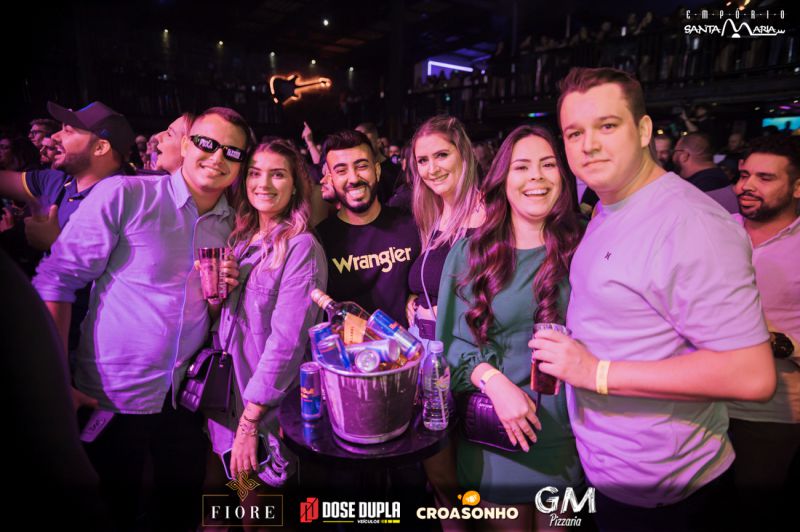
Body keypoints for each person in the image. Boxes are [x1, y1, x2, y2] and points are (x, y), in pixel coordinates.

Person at [532, 66, 775, 530]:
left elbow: (752, 374)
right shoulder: (609, 206)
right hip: (613, 476)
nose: (589, 145)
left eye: (607, 126)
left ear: (643, 130)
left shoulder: (691, 224)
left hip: (670, 495)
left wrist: (596, 372)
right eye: (575, 133)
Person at [32, 106, 252, 530]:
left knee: (177, 515)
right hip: (111, 397)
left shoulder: (235, 226)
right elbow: (55, 280)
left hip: (184, 401)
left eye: (232, 152)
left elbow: (212, 314)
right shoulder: (126, 195)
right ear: (186, 145)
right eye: (207, 143)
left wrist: (219, 298)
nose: (217, 157)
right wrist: (57, 380)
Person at [438, 124, 584, 530]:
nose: (536, 176)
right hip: (495, 435)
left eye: (548, 165)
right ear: (503, 179)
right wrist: (493, 381)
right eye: (522, 167)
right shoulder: (471, 252)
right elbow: (448, 346)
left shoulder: (584, 244)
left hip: (567, 437)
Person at [206, 138, 326, 524]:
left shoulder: (300, 247)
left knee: (263, 515)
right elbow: (226, 326)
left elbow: (288, 342)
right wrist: (217, 295)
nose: (263, 184)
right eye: (255, 173)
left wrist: (251, 420)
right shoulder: (241, 240)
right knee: (235, 506)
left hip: (266, 411)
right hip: (228, 403)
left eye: (278, 175)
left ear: (295, 185)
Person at [405, 115, 484, 529]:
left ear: (463, 154)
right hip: (427, 358)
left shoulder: (489, 214)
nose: (432, 168)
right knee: (440, 478)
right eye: (423, 160)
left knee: (467, 483)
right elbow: (434, 277)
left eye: (441, 155)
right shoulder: (434, 213)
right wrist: (417, 299)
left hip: (467, 358)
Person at [725, 135, 800, 530]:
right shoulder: (718, 230)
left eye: (765, 178)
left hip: (771, 413)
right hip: (704, 401)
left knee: (753, 513)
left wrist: (772, 341)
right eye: (743, 175)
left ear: (797, 187)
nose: (747, 186)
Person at [315, 129, 420, 327]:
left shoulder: (412, 226)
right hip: (349, 347)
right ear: (331, 179)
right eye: (341, 171)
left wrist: (417, 295)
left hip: (410, 344)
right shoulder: (320, 241)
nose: (354, 178)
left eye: (362, 166)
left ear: (377, 170)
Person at [673, 132, 738, 213]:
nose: (673, 156)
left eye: (675, 151)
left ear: (684, 155)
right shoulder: (716, 178)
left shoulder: (700, 189)